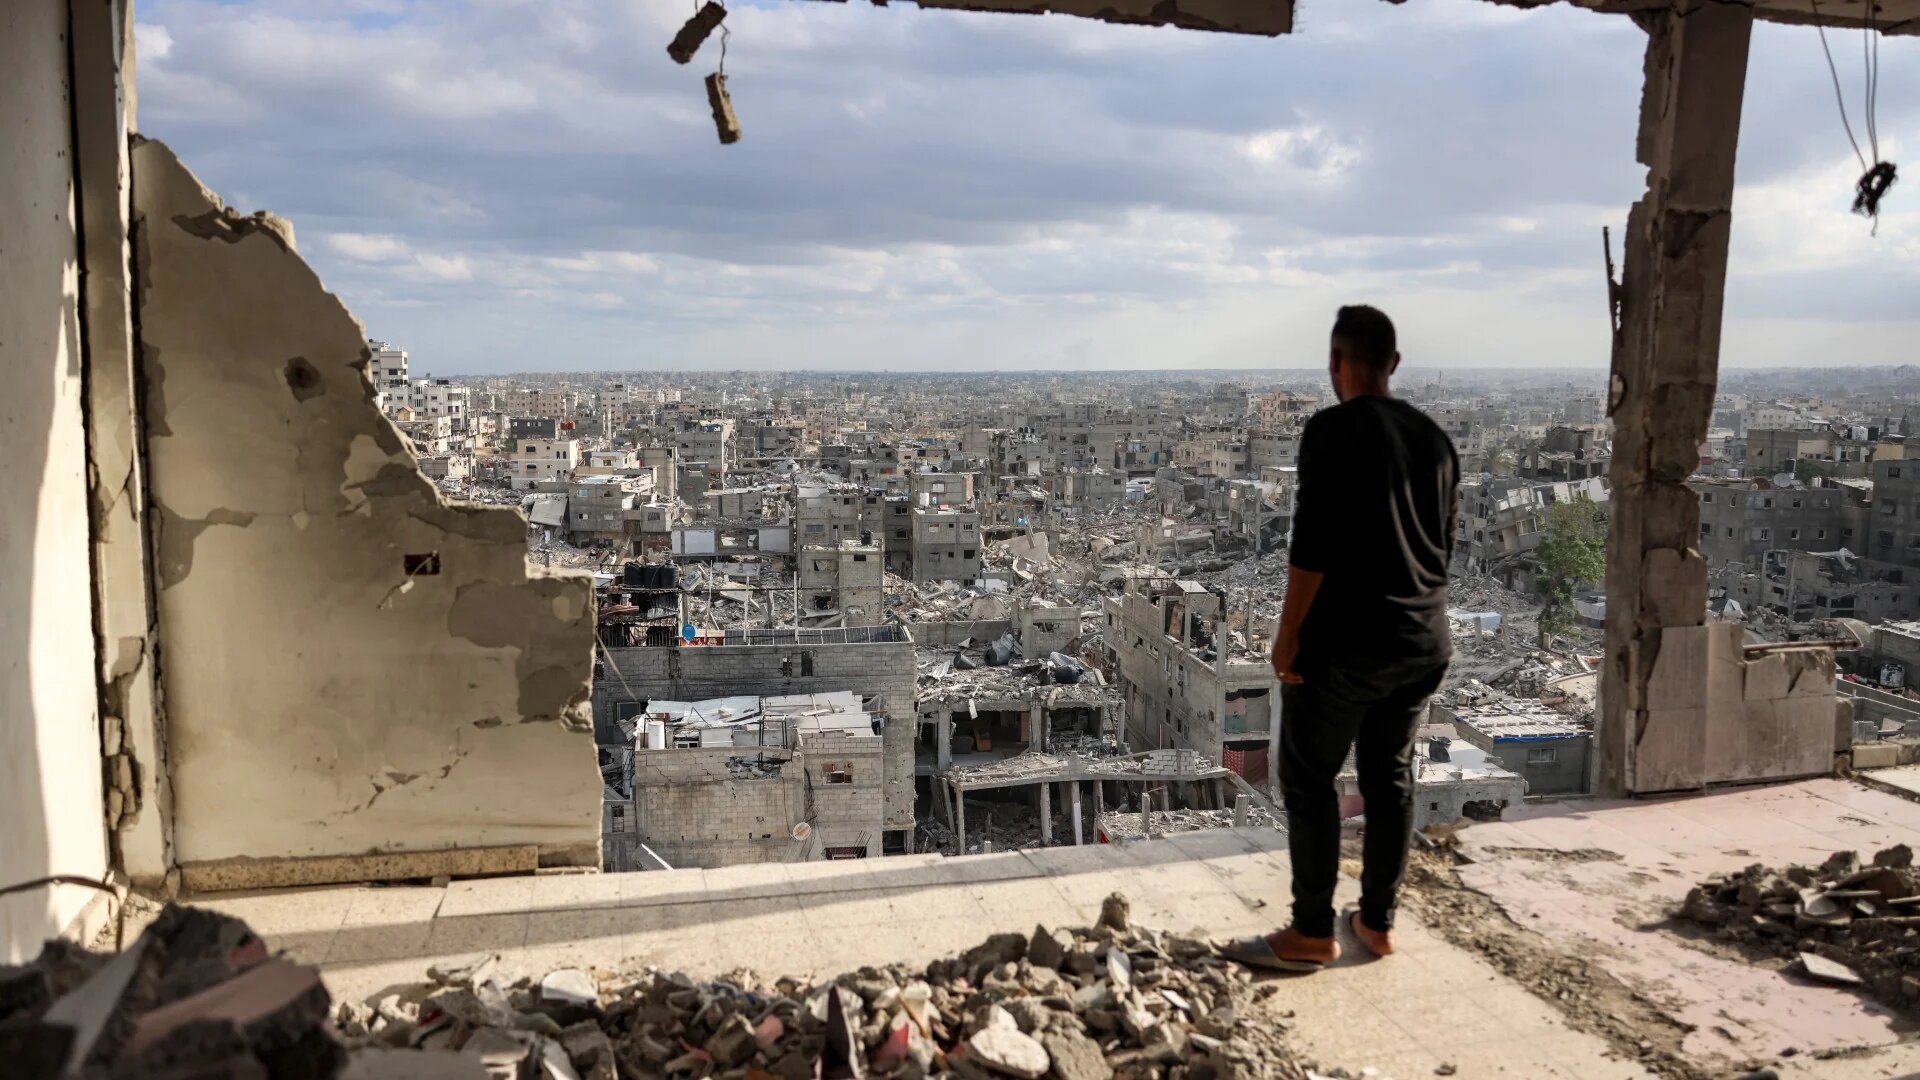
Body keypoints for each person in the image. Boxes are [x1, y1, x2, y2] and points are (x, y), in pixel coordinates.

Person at [1227, 304, 1459, 972]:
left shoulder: (1331, 430)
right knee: (1389, 775)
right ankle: (1378, 923)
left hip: (1349, 642)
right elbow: (1441, 547)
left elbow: (1313, 546)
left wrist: (1287, 634)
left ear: (1336, 363)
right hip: (1423, 638)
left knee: (1308, 778)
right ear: (1393, 364)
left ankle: (1311, 931)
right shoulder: (1435, 439)